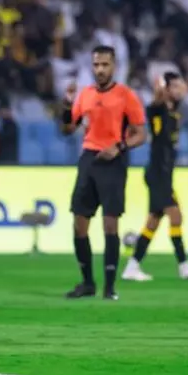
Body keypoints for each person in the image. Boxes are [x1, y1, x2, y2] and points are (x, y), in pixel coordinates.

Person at [60, 45, 147, 300]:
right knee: (79, 224)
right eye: (96, 65)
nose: (100, 69)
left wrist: (119, 147)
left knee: (110, 224)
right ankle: (87, 283)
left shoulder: (126, 95)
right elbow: (68, 129)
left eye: (105, 65)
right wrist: (66, 105)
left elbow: (141, 134)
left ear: (114, 66)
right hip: (89, 159)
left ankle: (109, 287)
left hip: (114, 161)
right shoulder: (85, 94)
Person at [122, 72, 188, 282]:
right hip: (158, 173)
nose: (181, 89)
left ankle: (132, 267)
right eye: (176, 86)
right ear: (166, 89)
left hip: (163, 173)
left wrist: (178, 87)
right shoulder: (157, 109)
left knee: (153, 222)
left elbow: (180, 95)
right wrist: (160, 87)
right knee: (175, 216)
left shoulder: (175, 111)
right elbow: (156, 101)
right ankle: (184, 267)